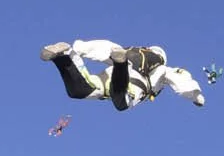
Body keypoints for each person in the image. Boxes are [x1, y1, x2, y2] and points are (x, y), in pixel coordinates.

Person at [42, 39, 206, 110]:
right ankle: (120, 66)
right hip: (130, 83)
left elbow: (105, 47)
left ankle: (64, 56)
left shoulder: (129, 51)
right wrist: (195, 95)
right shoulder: (162, 68)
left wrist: (80, 48)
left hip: (108, 77)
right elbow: (180, 77)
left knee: (78, 91)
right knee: (121, 102)